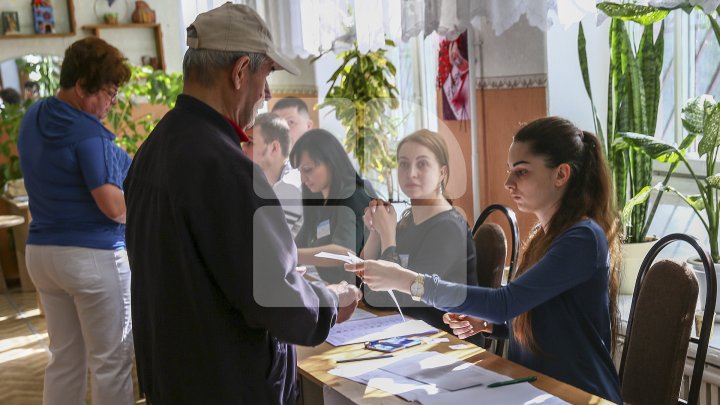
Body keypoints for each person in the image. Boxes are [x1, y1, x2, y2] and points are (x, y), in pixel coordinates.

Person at [124, 4, 361, 405]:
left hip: (175, 374)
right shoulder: (227, 167)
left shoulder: (154, 147)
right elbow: (276, 295)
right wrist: (332, 301)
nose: (267, 93)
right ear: (239, 73)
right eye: (266, 74)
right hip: (227, 382)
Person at [348, 117, 623, 403]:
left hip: (577, 393)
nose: (508, 182)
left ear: (561, 174)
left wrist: (406, 280)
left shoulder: (583, 238)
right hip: (537, 387)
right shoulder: (545, 235)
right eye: (509, 171)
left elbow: (505, 302)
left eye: (522, 172)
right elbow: (547, 317)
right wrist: (492, 325)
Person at [17, 37, 134, 405]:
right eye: (108, 93)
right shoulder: (88, 133)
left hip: (42, 255)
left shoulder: (34, 116)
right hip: (92, 259)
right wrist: (144, 204)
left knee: (64, 359)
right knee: (110, 364)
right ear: (82, 86)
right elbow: (112, 206)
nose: (110, 103)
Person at [360, 129, 479, 340]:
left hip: (445, 343)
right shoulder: (408, 221)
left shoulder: (450, 229)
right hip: (405, 333)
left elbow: (392, 298)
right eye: (404, 164)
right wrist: (376, 230)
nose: (411, 173)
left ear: (442, 173)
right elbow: (366, 285)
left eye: (422, 164)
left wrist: (388, 237)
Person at [291, 128, 375, 285]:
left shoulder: (353, 195)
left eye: (308, 170)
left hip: (364, 298)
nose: (303, 179)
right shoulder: (318, 204)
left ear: (331, 162)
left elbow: (344, 252)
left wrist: (291, 254)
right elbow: (296, 245)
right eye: (301, 171)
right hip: (336, 291)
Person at [244, 112, 303, 237]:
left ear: (274, 148)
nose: (243, 149)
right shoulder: (264, 185)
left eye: (250, 143)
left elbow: (264, 242)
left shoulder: (290, 187)